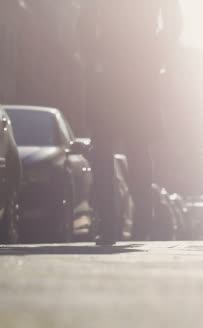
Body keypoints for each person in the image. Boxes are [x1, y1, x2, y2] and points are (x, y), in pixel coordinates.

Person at [77, 0, 183, 245]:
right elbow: (86, 17)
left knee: (135, 146)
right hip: (111, 71)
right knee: (107, 148)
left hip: (136, 71)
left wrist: (158, 54)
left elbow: (173, 19)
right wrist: (92, 57)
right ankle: (111, 223)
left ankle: (140, 221)